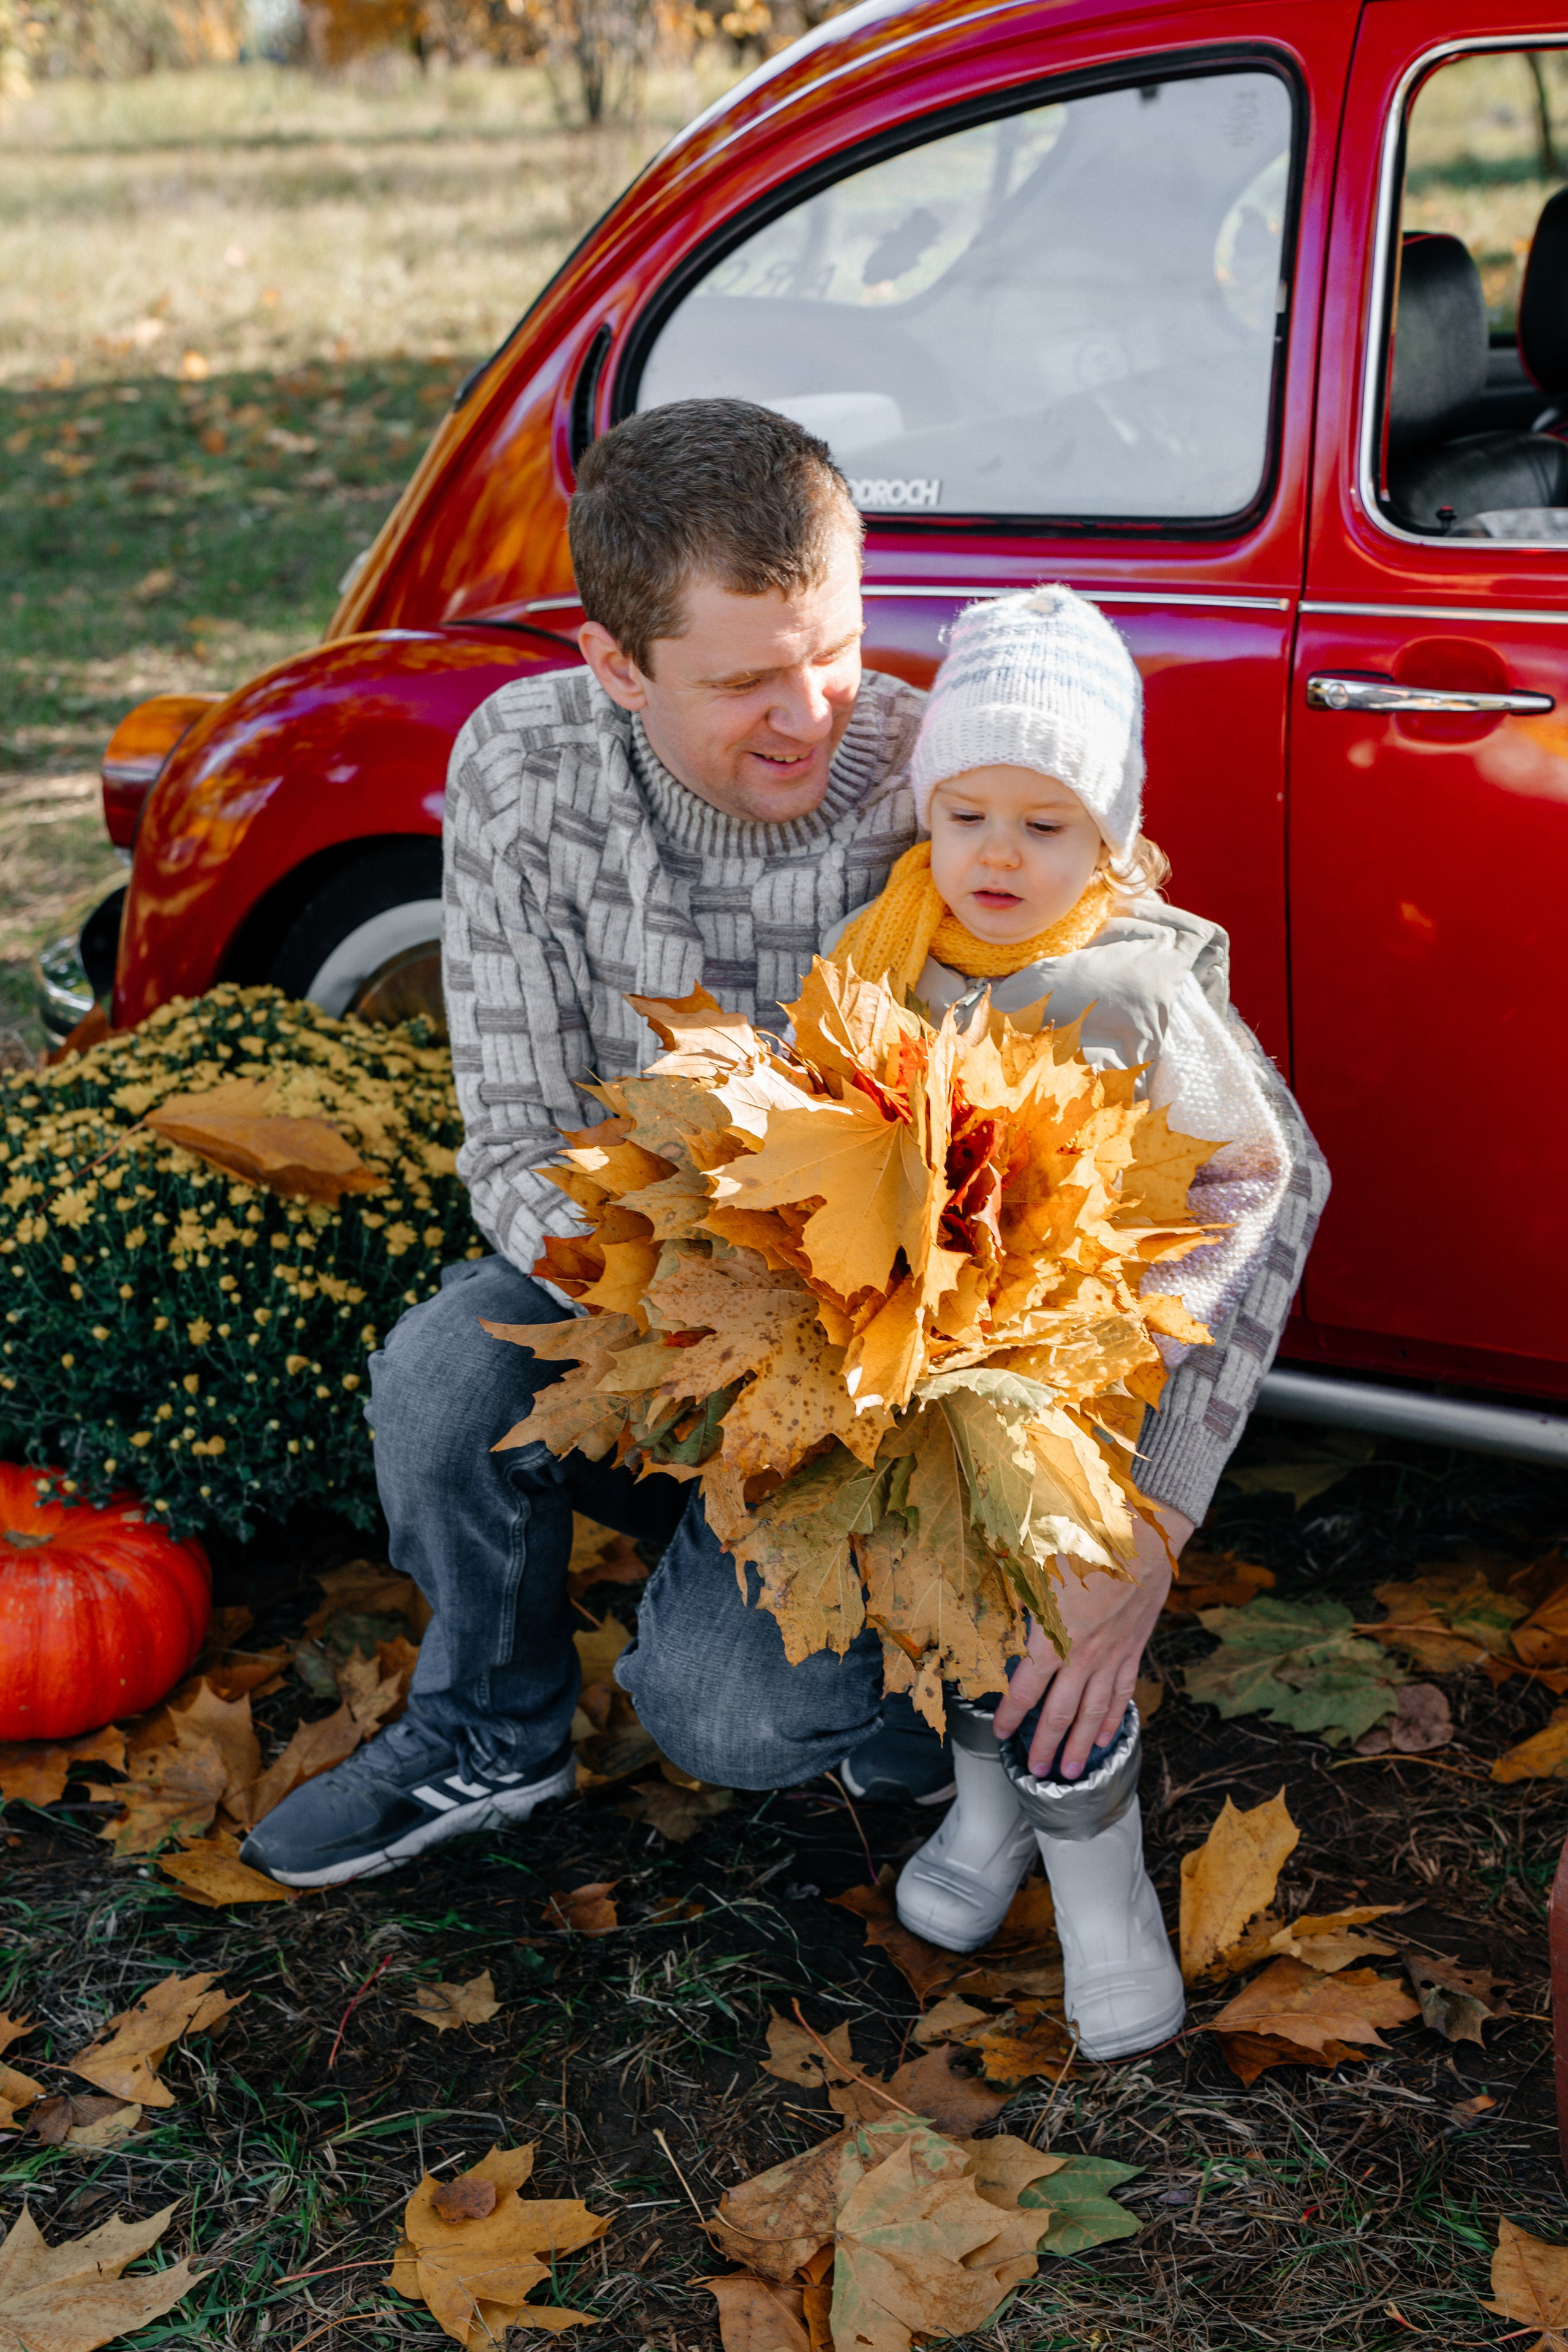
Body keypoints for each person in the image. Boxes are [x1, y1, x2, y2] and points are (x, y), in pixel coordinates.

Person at [614, 587, 1329, 2060]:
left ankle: (1101, 1891)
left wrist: (1148, 1325)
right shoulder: (892, 945)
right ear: (928, 815)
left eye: (1045, 825)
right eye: (969, 815)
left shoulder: (1128, 982)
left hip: (1065, 1382)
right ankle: (987, 1813)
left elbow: (1255, 1174)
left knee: (1040, 1634)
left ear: (1111, 838)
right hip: (912, 1367)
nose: (998, 856)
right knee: (940, 1604)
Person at [240, 397, 930, 1887]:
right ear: (613, 665)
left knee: (725, 1717)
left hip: (875, 1365)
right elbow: (512, 1145)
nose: (812, 713)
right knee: (442, 1373)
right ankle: (492, 1730)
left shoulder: (941, 789)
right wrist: (682, 1322)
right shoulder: (525, 769)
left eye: (835, 648)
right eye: (747, 680)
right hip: (638, 1296)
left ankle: (913, 1687)